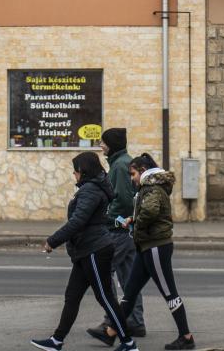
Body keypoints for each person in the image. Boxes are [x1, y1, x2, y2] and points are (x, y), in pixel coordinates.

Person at [31, 151, 138, 351]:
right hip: (86, 250)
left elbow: (78, 222)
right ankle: (57, 340)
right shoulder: (94, 188)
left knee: (105, 297)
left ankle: (128, 344)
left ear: (83, 170)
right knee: (72, 296)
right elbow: (97, 218)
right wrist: (117, 221)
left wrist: (52, 241)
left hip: (94, 250)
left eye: (75, 170)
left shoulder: (90, 190)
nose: (74, 174)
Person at [105, 153, 196, 350]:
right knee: (130, 291)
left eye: (133, 174)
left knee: (169, 292)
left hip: (156, 246)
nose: (132, 178)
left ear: (143, 171)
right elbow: (146, 210)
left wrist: (135, 221)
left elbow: (151, 211)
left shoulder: (152, 187)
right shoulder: (149, 187)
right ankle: (112, 331)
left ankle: (186, 336)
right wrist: (133, 218)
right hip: (146, 246)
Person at [88, 127, 146, 343]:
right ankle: (135, 322)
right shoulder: (122, 163)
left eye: (103, 143)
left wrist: (104, 215)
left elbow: (120, 200)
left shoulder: (120, 166)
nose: (101, 146)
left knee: (103, 272)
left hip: (119, 230)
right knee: (129, 278)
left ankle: (110, 321)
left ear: (111, 145)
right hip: (127, 230)